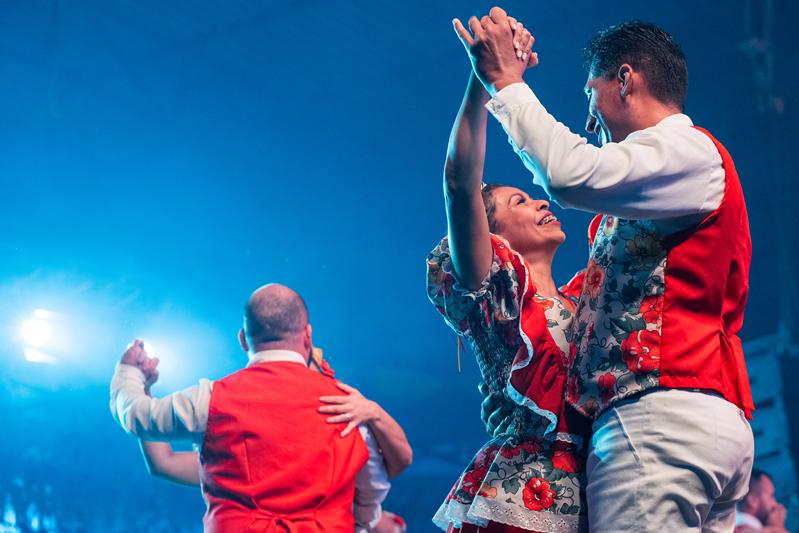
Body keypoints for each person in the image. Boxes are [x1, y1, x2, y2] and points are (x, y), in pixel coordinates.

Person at [453, 7, 755, 532]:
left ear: (625, 80)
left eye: (590, 97)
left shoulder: (687, 150)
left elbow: (569, 174)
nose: (590, 123)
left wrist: (502, 79)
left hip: (660, 419)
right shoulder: (567, 288)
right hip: (681, 420)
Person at [426, 21, 590, 532]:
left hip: (599, 489)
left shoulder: (585, 300)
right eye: (520, 200)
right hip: (525, 499)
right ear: (490, 233)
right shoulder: (493, 292)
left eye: (534, 194)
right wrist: (486, 76)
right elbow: (459, 182)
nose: (540, 200)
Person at [110, 283, 391, 532]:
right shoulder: (348, 407)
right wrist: (362, 523)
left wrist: (131, 374)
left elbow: (137, 416)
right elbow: (374, 486)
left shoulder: (211, 401)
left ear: (243, 338)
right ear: (307, 336)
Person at [135, 347, 412, 532]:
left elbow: (399, 463)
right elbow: (164, 463)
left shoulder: (343, 432)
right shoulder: (236, 451)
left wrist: (372, 412)